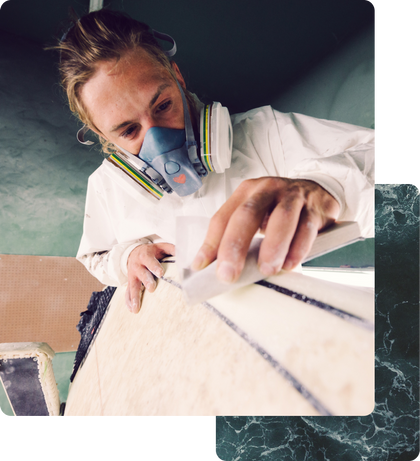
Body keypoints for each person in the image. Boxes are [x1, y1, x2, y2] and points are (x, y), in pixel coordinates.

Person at [51, 9, 376, 313]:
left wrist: (328, 185)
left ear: (176, 75)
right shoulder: (106, 187)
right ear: (101, 134)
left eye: (163, 105)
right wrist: (126, 257)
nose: (158, 139)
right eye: (129, 130)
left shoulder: (265, 134)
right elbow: (94, 257)